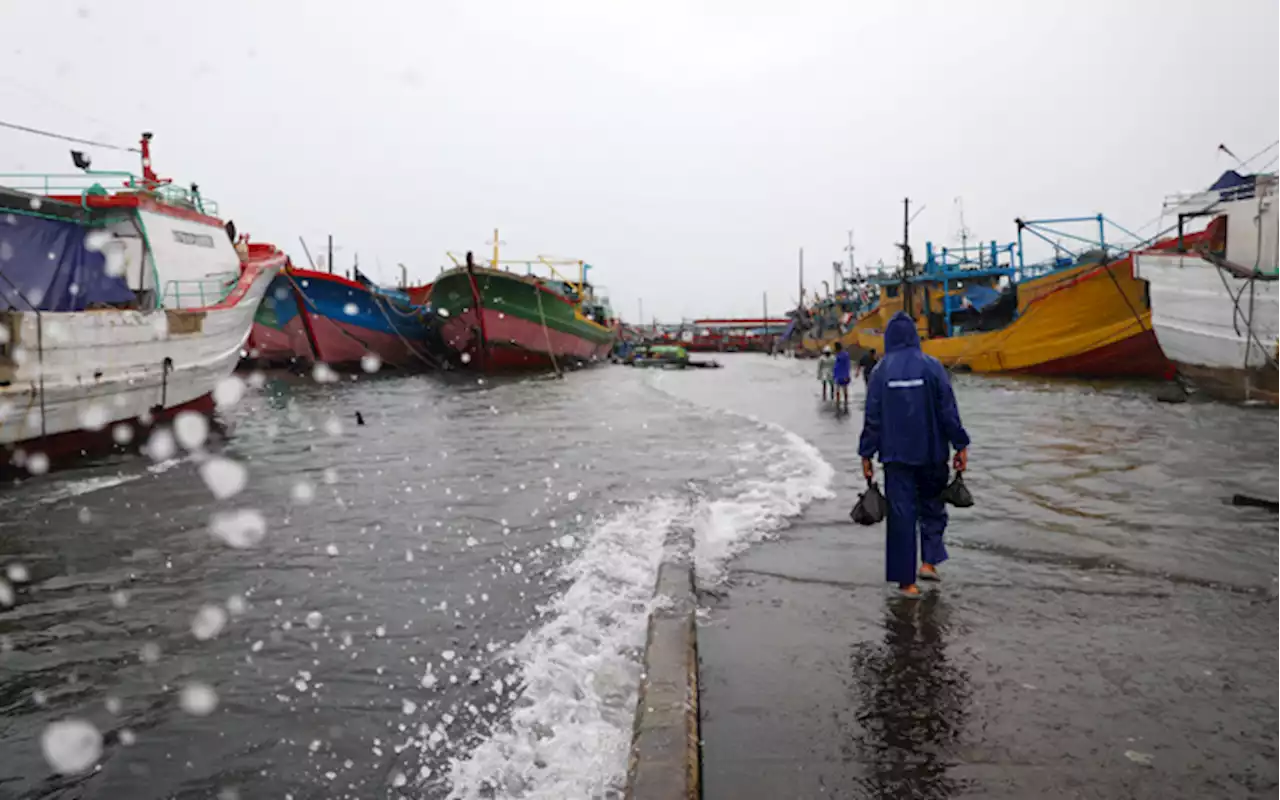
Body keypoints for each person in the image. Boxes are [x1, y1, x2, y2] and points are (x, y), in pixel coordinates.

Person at [858, 312, 969, 598]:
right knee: (933, 507)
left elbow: (873, 417)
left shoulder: (881, 371)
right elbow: (948, 411)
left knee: (901, 515)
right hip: (933, 453)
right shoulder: (933, 367)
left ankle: (907, 583)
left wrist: (866, 454)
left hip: (896, 458)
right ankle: (929, 563)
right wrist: (961, 445)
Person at [832, 342, 852, 412]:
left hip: (841, 374)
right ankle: (843, 403)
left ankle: (841, 403)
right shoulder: (843, 354)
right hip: (841, 374)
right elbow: (847, 365)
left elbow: (846, 365)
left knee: (840, 389)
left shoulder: (841, 355)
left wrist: (846, 375)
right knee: (842, 389)